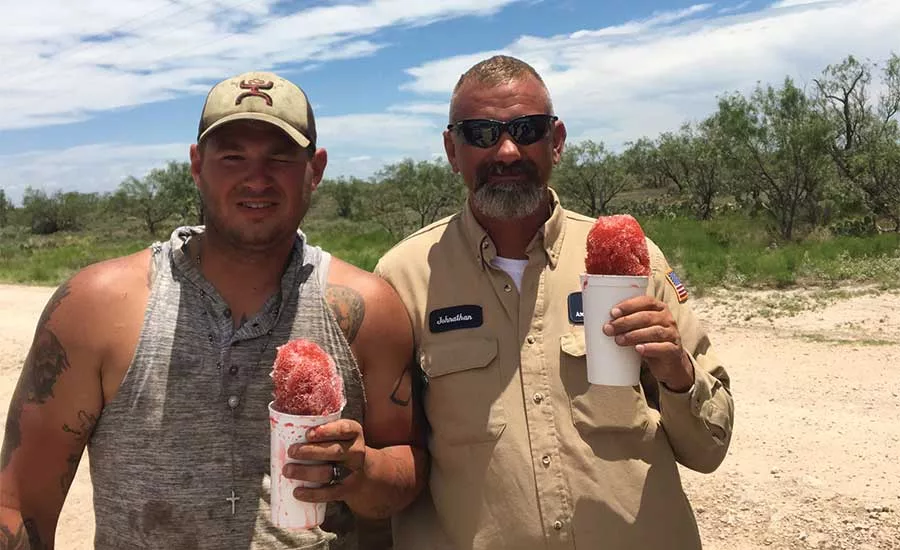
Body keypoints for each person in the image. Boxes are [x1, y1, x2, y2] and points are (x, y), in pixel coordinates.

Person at [0, 71, 426, 550]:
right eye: (232, 156)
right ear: (197, 165)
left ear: (316, 168)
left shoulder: (369, 311)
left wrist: (363, 473)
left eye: (280, 157)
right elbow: (20, 503)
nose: (256, 178)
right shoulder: (94, 307)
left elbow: (409, 469)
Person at [374, 55, 734, 549]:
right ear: (451, 150)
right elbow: (387, 463)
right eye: (479, 133)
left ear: (556, 141)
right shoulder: (403, 279)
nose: (505, 150)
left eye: (527, 129)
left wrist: (676, 371)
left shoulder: (637, 261)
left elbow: (709, 450)